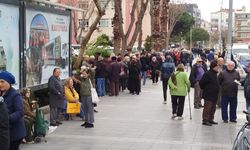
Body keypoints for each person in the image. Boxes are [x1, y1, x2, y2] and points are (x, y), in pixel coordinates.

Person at [0, 71, 26, 150]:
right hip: (4, 131)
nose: (0, 84)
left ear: (9, 82)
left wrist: (6, 119)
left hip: (15, 132)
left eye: (2, 81)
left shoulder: (15, 95)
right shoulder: (1, 94)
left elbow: (20, 112)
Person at [199, 60, 220, 126]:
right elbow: (201, 83)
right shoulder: (208, 73)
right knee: (207, 108)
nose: (218, 67)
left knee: (213, 108)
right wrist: (207, 88)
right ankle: (205, 120)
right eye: (217, 66)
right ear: (213, 67)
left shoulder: (215, 73)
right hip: (208, 94)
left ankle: (211, 119)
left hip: (214, 94)